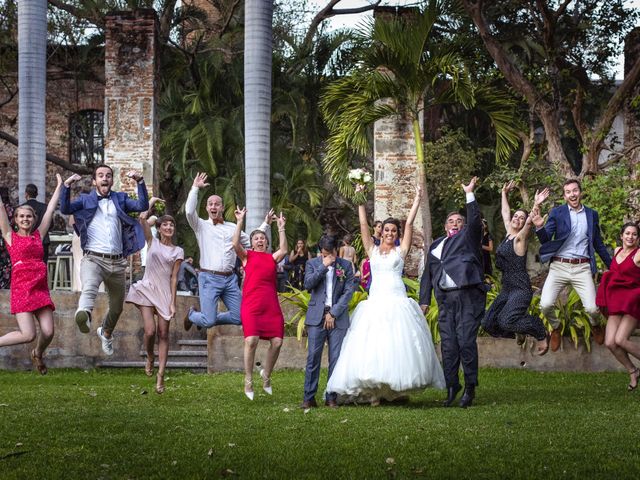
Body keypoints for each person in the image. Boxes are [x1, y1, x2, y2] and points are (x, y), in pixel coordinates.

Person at [328, 185, 445, 405]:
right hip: (375, 302)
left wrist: (417, 199)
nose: (390, 233)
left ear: (397, 234)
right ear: (381, 232)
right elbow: (363, 224)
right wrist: (360, 199)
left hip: (397, 301)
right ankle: (374, 392)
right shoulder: (371, 250)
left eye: (393, 231)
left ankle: (393, 391)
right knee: (374, 344)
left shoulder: (400, 251)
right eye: (387, 230)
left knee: (396, 345)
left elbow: (409, 224)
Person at [60, 165, 149, 355]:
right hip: (93, 258)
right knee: (90, 286)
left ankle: (106, 331)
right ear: (94, 181)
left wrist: (140, 182)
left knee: (117, 306)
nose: (105, 178)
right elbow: (65, 208)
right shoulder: (85, 200)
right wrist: (67, 186)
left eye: (108, 175)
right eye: (100, 175)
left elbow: (142, 206)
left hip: (117, 262)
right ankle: (84, 313)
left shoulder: (121, 199)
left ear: (112, 180)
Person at [419, 177, 486, 408]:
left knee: (466, 341)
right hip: (445, 299)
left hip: (467, 297)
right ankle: (451, 386)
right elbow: (427, 275)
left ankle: (469, 387)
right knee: (448, 345)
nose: (455, 223)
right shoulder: (436, 245)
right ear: (445, 226)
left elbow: (475, 221)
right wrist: (424, 301)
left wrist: (470, 194)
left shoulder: (468, 238)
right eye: (451, 221)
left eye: (459, 220)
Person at [532, 179, 612, 352]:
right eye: (568, 192)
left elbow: (597, 243)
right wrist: (539, 227)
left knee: (592, 308)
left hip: (582, 268)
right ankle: (556, 327)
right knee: (545, 305)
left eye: (575, 190)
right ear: (565, 196)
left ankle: (595, 325)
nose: (572, 194)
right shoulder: (557, 213)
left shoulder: (592, 214)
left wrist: (613, 266)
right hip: (559, 267)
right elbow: (547, 241)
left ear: (580, 192)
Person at [182, 172, 268, 330]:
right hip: (209, 278)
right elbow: (188, 211)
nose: (213, 206)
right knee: (209, 322)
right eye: (210, 204)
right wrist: (195, 188)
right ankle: (193, 315)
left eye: (217, 204)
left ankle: (205, 317)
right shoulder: (200, 226)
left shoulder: (232, 228)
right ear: (207, 208)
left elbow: (252, 241)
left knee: (240, 317)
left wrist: (265, 224)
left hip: (230, 280)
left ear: (222, 207)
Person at [0, 174, 63, 374]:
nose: (25, 218)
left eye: (29, 216)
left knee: (48, 331)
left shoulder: (39, 235)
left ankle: (38, 353)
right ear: (15, 220)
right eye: (21, 216)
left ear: (34, 219)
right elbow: (1, 209)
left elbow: (51, 209)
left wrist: (60, 185)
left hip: (40, 288)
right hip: (22, 290)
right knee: (28, 334)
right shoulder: (10, 237)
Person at [482, 181, 550, 354]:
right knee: (488, 323)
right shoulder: (507, 233)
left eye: (521, 217)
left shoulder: (519, 239)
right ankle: (518, 331)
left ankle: (539, 330)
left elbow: (529, 223)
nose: (517, 219)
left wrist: (536, 204)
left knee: (505, 320)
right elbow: (505, 213)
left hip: (520, 289)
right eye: (516, 216)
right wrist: (504, 192)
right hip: (507, 288)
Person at [125, 198, 184, 394]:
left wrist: (173, 303)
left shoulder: (178, 251)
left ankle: (160, 376)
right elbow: (142, 218)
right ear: (159, 228)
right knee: (150, 331)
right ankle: (150, 356)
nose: (169, 227)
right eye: (165, 224)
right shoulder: (152, 241)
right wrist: (150, 203)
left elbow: (174, 278)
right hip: (147, 289)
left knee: (164, 334)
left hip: (165, 293)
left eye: (171, 224)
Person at [232, 207, 287, 400]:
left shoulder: (272, 257)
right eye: (256, 238)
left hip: (270, 305)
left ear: (266, 242)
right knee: (251, 340)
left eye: (262, 238)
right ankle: (248, 379)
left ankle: (266, 375)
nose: (260, 240)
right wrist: (240, 221)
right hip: (252, 304)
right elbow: (234, 243)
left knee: (278, 341)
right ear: (252, 243)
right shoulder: (247, 256)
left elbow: (285, 249)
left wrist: (281, 227)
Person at [301, 234, 357, 408]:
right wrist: (323, 267)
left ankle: (331, 396)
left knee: (336, 358)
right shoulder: (313, 264)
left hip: (337, 317)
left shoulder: (346, 266)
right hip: (316, 317)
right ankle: (309, 397)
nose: (326, 257)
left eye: (329, 254)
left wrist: (333, 313)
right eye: (323, 254)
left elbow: (348, 292)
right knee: (313, 358)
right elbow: (308, 284)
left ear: (336, 251)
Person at [596, 222, 640, 391]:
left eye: (634, 234)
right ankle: (633, 371)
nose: (630, 237)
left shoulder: (638, 254)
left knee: (621, 339)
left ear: (638, 238)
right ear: (621, 236)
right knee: (610, 342)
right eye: (627, 233)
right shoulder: (616, 251)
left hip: (632, 302)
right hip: (616, 301)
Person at [23, 183, 51, 264]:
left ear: (26, 194)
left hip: (26, 241)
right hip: (42, 242)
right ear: (37, 194)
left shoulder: (21, 208)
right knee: (42, 265)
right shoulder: (44, 207)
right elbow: (50, 224)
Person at [0, 187, 14, 289]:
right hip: (7, 240)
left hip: (5, 239)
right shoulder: (11, 209)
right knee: (6, 264)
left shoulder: (9, 209)